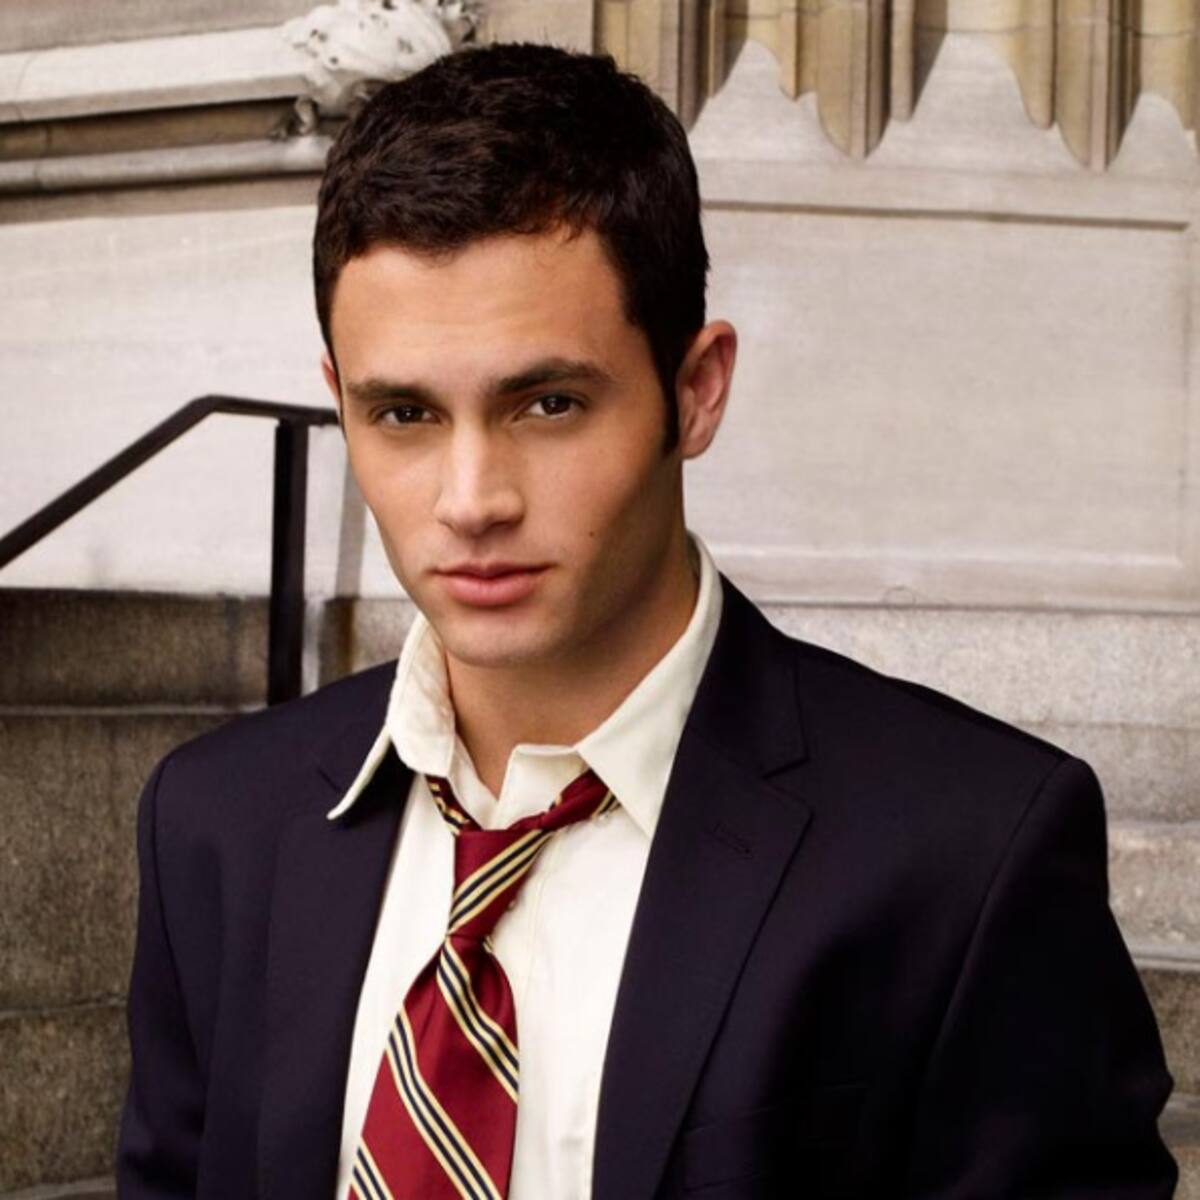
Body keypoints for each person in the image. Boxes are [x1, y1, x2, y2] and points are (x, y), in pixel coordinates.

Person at [116, 41, 1177, 1200]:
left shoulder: (965, 851)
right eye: (405, 414)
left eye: (548, 403)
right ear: (340, 403)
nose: (471, 501)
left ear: (696, 390)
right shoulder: (216, 824)